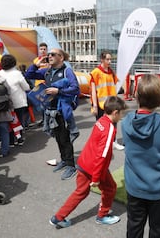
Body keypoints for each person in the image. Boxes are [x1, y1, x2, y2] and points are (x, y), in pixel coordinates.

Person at [49, 96, 127, 228]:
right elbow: (101, 155)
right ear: (115, 112)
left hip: (84, 163)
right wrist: (96, 178)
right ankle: (102, 216)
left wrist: (109, 153)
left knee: (81, 191)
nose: (122, 117)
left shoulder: (101, 121)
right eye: (121, 114)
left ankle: (58, 217)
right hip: (95, 167)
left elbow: (97, 144)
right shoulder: (110, 129)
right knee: (110, 188)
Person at [121, 74, 160, 238]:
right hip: (159, 189)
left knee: (134, 227)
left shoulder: (126, 122)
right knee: (158, 229)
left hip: (135, 188)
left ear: (136, 95)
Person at [25, 48, 80, 180]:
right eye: (49, 54)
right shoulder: (47, 71)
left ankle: (71, 165)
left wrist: (58, 91)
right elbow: (29, 75)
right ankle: (64, 160)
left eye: (53, 54)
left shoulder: (67, 71)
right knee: (58, 138)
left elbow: (75, 88)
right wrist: (36, 64)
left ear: (61, 58)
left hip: (62, 111)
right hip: (50, 111)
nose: (49, 56)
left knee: (65, 139)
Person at [90, 50, 124, 150]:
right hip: (101, 105)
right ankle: (101, 143)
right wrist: (94, 106)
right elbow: (93, 91)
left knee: (113, 123)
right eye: (107, 59)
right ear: (102, 59)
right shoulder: (95, 72)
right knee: (101, 125)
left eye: (110, 59)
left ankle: (113, 141)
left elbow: (115, 85)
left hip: (112, 103)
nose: (110, 61)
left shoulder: (111, 72)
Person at [0, 54, 31, 145]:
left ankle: (11, 140)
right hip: (18, 101)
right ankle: (19, 139)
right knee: (19, 120)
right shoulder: (17, 73)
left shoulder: (0, 73)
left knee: (9, 121)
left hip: (5, 102)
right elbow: (26, 87)